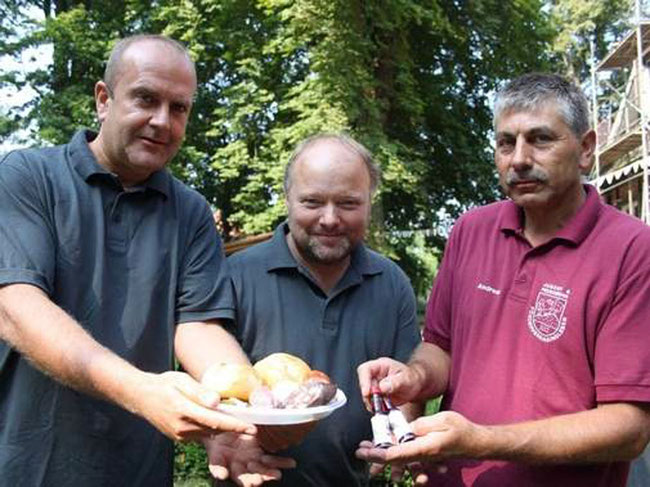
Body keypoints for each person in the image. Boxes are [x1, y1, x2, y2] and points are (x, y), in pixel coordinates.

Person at [0, 34, 292, 486]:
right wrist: (139, 390)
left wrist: (236, 412)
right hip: (26, 463)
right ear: (104, 99)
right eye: (145, 99)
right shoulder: (27, 177)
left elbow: (200, 325)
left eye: (179, 108)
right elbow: (15, 306)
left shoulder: (191, 212)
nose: (162, 121)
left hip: (138, 470)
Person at [355, 73, 650, 487]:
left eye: (541, 139)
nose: (519, 159)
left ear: (585, 149)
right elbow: (441, 347)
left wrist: (480, 441)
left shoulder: (633, 249)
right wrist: (414, 378)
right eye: (505, 143)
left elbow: (630, 427)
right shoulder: (471, 230)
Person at [212, 134, 422, 486]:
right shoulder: (234, 276)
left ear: (370, 203)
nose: (329, 219)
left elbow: (409, 385)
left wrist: (401, 434)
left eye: (348, 203)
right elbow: (209, 383)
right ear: (287, 199)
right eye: (312, 202)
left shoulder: (391, 284)